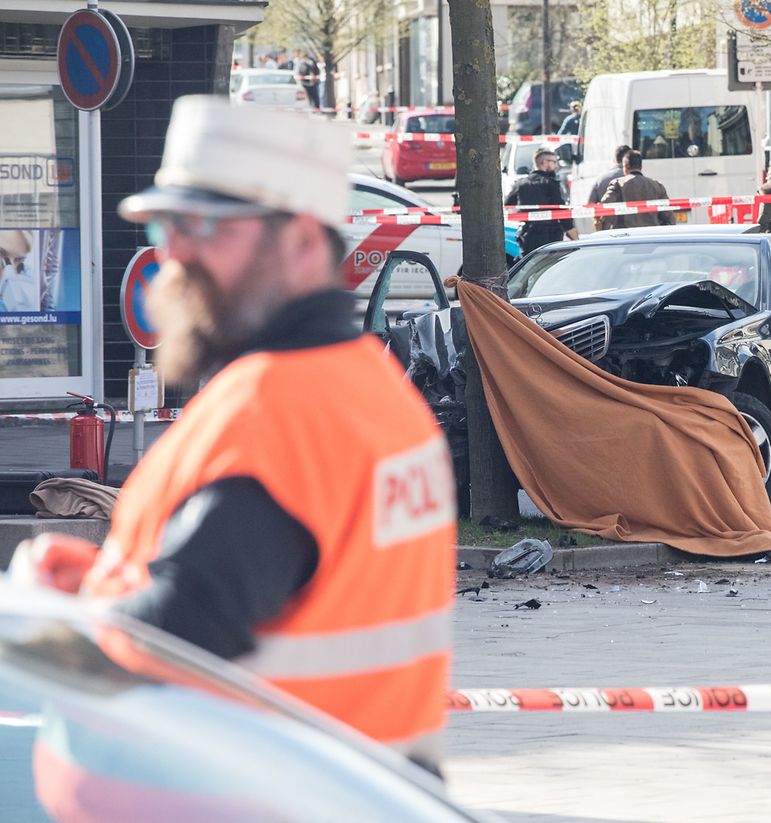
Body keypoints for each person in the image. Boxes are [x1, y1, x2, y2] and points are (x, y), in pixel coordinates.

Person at [14, 96, 456, 773]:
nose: (175, 254)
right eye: (167, 225)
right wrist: (105, 580)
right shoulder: (374, 392)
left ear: (304, 242)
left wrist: (37, 625)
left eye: (207, 224)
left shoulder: (276, 413)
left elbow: (179, 626)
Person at [505, 146, 578, 255]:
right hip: (551, 238)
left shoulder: (521, 183)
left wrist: (523, 212)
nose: (556, 165)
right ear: (545, 163)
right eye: (554, 162)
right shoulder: (551, 184)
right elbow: (562, 213)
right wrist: (575, 239)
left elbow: (507, 205)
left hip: (528, 236)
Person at [600, 151, 674, 230]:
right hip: (651, 235)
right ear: (641, 167)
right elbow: (668, 215)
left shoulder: (617, 184)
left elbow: (605, 207)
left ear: (625, 167)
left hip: (625, 236)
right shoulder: (657, 186)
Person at [587, 144, 631, 230]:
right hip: (634, 229)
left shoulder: (601, 179)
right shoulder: (638, 178)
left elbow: (590, 205)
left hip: (609, 230)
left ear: (615, 159)